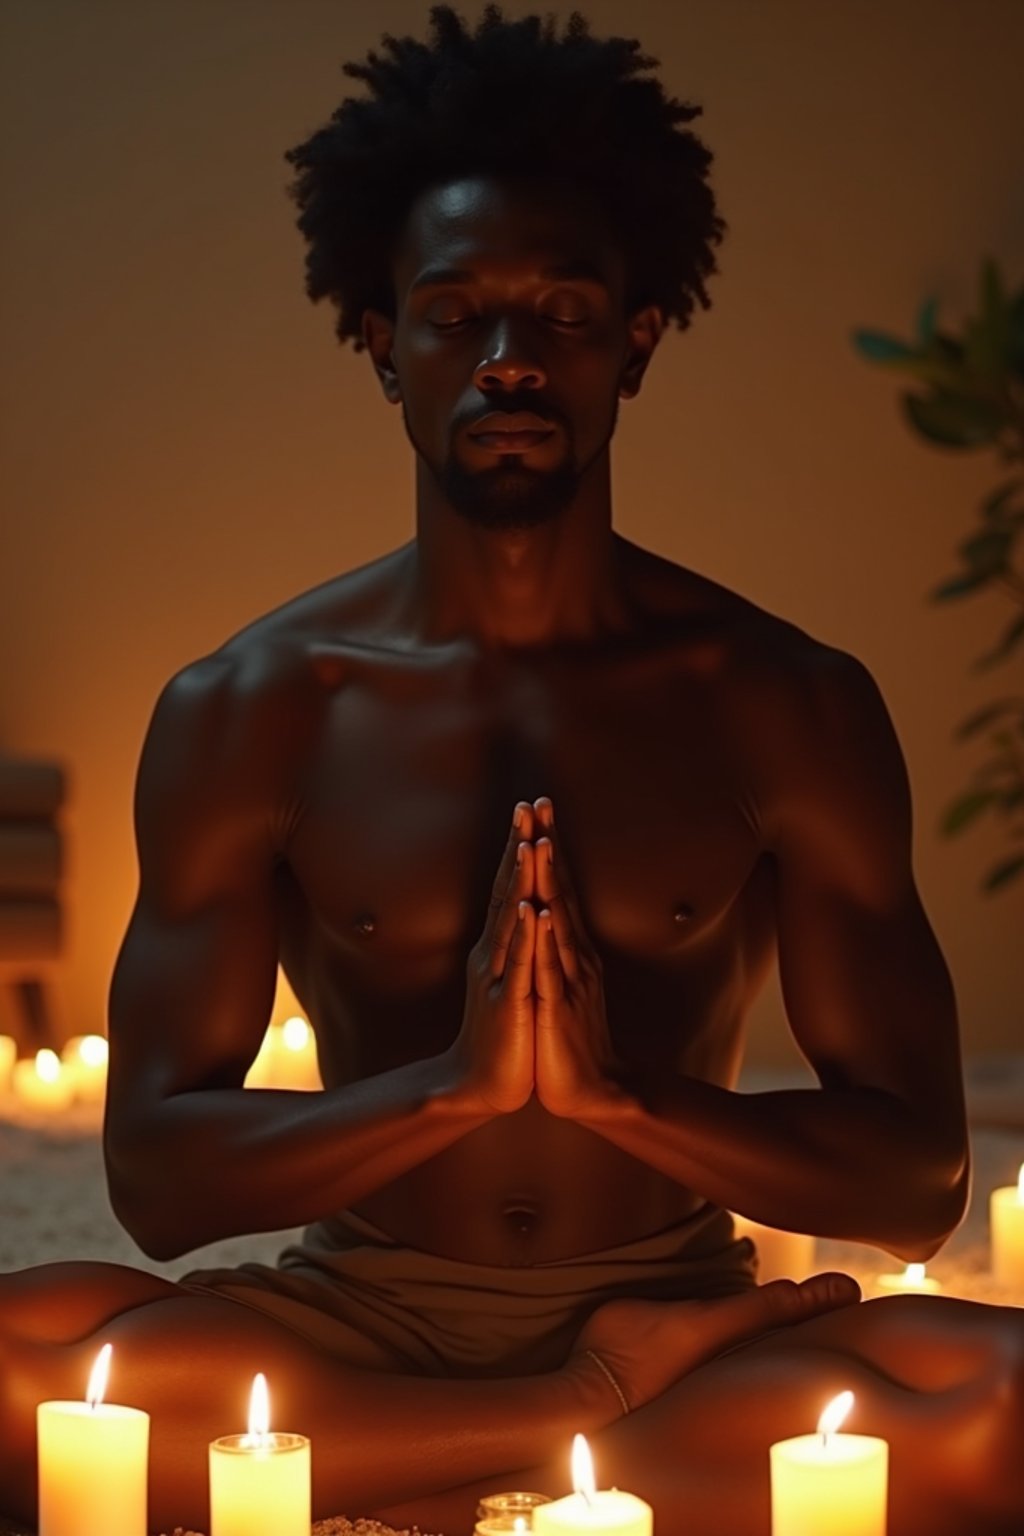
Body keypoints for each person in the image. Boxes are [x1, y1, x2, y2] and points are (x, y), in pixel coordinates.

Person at [1, 7, 1022, 1533]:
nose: (508, 361)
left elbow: (913, 1176)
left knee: (998, 1395)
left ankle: (420, 1461)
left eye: (559, 311)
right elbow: (156, 1175)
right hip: (359, 1321)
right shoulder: (254, 705)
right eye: (454, 312)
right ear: (380, 342)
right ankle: (565, 1421)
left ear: (637, 338)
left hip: (683, 1310)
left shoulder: (782, 701)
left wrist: (618, 1101)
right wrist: (452, 1093)